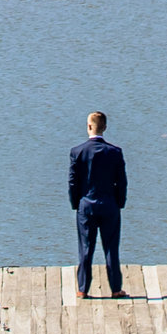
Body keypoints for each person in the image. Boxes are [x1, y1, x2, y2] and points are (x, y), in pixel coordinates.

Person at [68, 109, 127, 298]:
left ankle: (82, 289)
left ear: (89, 126)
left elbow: (72, 182)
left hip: (86, 205)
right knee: (111, 248)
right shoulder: (115, 152)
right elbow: (122, 181)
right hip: (110, 205)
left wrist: (75, 203)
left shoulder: (77, 152)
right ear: (105, 128)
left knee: (86, 248)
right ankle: (116, 289)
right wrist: (119, 203)